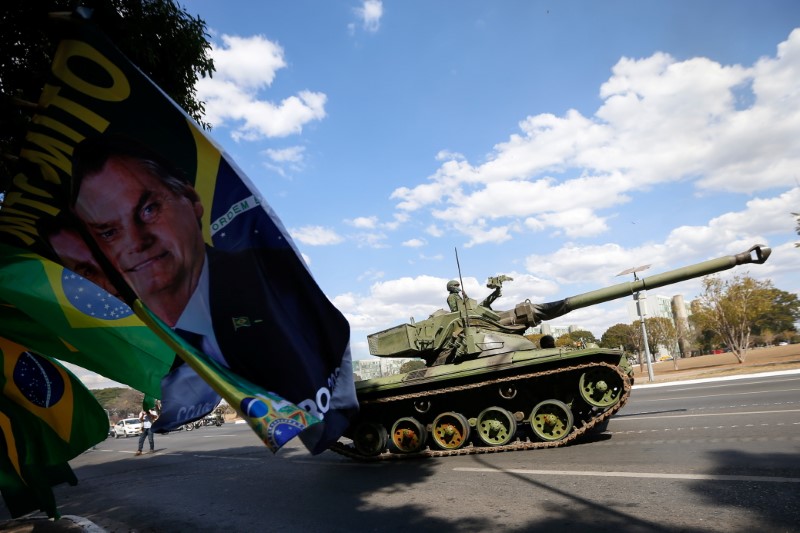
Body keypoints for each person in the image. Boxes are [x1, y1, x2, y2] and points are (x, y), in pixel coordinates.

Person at [69, 135, 357, 450]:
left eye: (149, 209)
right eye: (109, 232)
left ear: (192, 201)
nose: (136, 243)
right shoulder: (149, 327)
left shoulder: (265, 280)